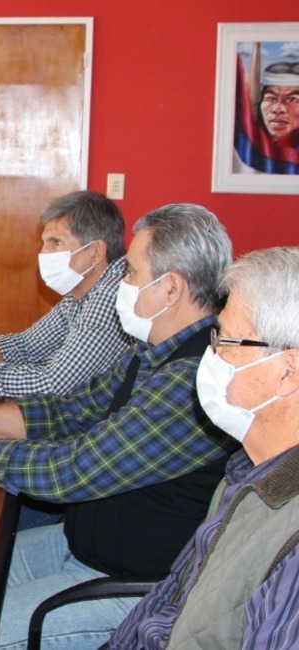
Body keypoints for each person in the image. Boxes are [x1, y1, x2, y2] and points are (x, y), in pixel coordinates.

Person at [0, 204, 237, 650]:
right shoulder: (151, 351)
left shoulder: (193, 379)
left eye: (130, 272)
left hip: (133, 585)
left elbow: (73, 470)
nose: (120, 282)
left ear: (170, 288)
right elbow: (67, 412)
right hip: (82, 546)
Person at [107, 247, 299, 649]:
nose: (209, 357)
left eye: (225, 340)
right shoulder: (248, 469)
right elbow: (171, 600)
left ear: (287, 372)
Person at [0, 190, 130, 399]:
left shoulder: (111, 296)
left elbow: (53, 384)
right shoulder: (81, 293)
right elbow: (27, 346)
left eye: (56, 242)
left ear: (95, 252)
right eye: (44, 242)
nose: (43, 253)